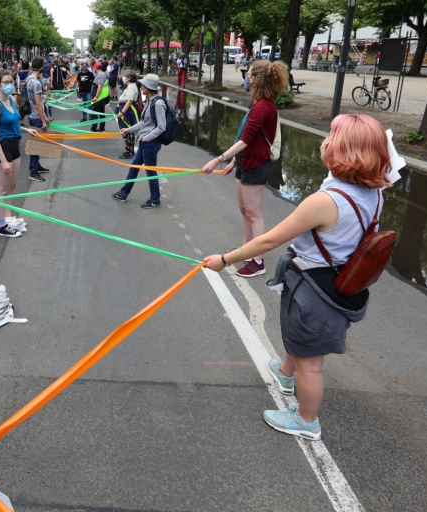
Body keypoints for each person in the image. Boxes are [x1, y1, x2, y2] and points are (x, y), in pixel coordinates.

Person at [203, 113, 393, 441]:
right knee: (300, 341)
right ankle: (285, 373)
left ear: (341, 148)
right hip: (337, 286)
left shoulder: (326, 201)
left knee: (312, 363)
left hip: (315, 292)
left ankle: (306, 421)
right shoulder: (373, 195)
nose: (327, 141)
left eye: (333, 137)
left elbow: (269, 240)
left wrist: (224, 259)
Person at [201, 60, 286, 278]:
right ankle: (246, 250)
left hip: (256, 166)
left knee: (254, 214)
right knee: (245, 211)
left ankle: (257, 261)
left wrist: (218, 159)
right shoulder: (258, 103)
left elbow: (245, 140)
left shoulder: (264, 106)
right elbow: (247, 139)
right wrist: (234, 161)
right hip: (245, 162)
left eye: (249, 75)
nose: (247, 79)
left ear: (258, 80)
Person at [0, 70, 41, 237]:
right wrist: (3, 161)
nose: (9, 85)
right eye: (5, 82)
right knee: (1, 190)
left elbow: (14, 123)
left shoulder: (10, 99)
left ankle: (8, 217)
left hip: (14, 145)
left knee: (12, 186)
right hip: (1, 148)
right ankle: (1, 226)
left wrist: (26, 129)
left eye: (11, 81)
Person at [111, 73, 166, 209]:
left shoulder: (158, 103)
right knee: (134, 168)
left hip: (150, 143)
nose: (141, 86)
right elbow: (143, 122)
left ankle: (155, 199)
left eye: (143, 85)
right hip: (144, 142)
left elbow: (161, 127)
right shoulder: (149, 101)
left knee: (150, 171)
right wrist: (129, 130)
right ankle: (123, 193)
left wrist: (147, 138)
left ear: (149, 87)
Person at [24, 57, 51, 182]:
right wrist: (44, 119)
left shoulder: (29, 78)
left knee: (37, 143)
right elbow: (38, 103)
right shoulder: (36, 82)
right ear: (41, 67)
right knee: (36, 144)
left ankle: (36, 165)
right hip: (35, 116)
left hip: (31, 114)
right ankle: (33, 170)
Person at [116, 70, 141, 159]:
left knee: (127, 130)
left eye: (124, 76)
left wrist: (122, 112)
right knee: (126, 130)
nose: (122, 77)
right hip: (125, 110)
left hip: (127, 111)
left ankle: (129, 150)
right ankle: (129, 149)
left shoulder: (131, 87)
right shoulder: (130, 86)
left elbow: (129, 101)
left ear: (129, 78)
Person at [89, 61, 110, 132]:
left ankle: (94, 128)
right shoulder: (103, 74)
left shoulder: (100, 75)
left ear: (96, 67)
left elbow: (100, 86)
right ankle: (101, 128)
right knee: (101, 112)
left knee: (94, 112)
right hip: (102, 97)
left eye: (94, 67)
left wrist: (96, 96)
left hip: (99, 97)